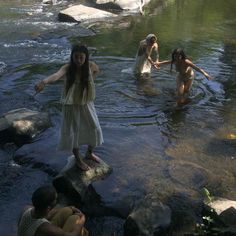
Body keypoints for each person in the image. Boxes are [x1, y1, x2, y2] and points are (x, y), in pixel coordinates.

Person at [34, 45, 103, 171]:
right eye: (75, 57)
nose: (78, 60)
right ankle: (77, 159)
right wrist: (43, 82)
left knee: (94, 126)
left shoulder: (91, 66)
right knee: (74, 132)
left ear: (86, 57)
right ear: (72, 56)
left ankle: (89, 152)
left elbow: (97, 71)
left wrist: (90, 81)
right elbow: (56, 75)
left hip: (86, 103)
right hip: (71, 105)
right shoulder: (68, 67)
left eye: (81, 57)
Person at [17, 185, 88, 236]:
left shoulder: (26, 209)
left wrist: (69, 208)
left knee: (67, 210)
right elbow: (72, 234)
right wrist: (82, 220)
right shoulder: (46, 229)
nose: (57, 200)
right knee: (75, 219)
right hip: (44, 231)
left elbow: (48, 214)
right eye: (56, 200)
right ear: (48, 208)